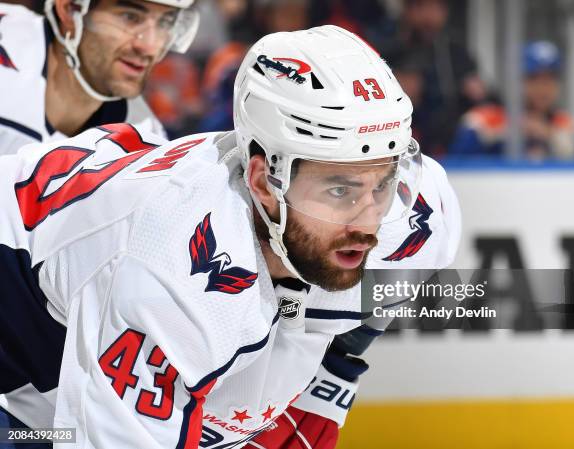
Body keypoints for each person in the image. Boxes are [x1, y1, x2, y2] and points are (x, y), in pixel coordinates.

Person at [0, 25, 460, 448]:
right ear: (262, 180)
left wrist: (327, 389)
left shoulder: (416, 216)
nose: (366, 221)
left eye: (380, 183)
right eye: (338, 189)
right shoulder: (168, 271)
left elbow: (366, 308)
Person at [0, 0, 200, 155]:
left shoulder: (144, 136)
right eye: (130, 17)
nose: (150, 47)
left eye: (165, 22)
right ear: (70, 9)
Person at [383, 0, 487, 157]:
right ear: (407, 10)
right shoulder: (388, 49)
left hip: (449, 145)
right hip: (396, 141)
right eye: (421, 6)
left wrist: (477, 96)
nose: (429, 16)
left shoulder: (455, 53)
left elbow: (481, 99)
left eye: (437, 8)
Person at [450, 41, 574, 159]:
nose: (543, 88)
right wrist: (508, 134)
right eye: (533, 79)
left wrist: (551, 137)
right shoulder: (482, 122)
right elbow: (459, 172)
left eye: (550, 79)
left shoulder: (569, 126)